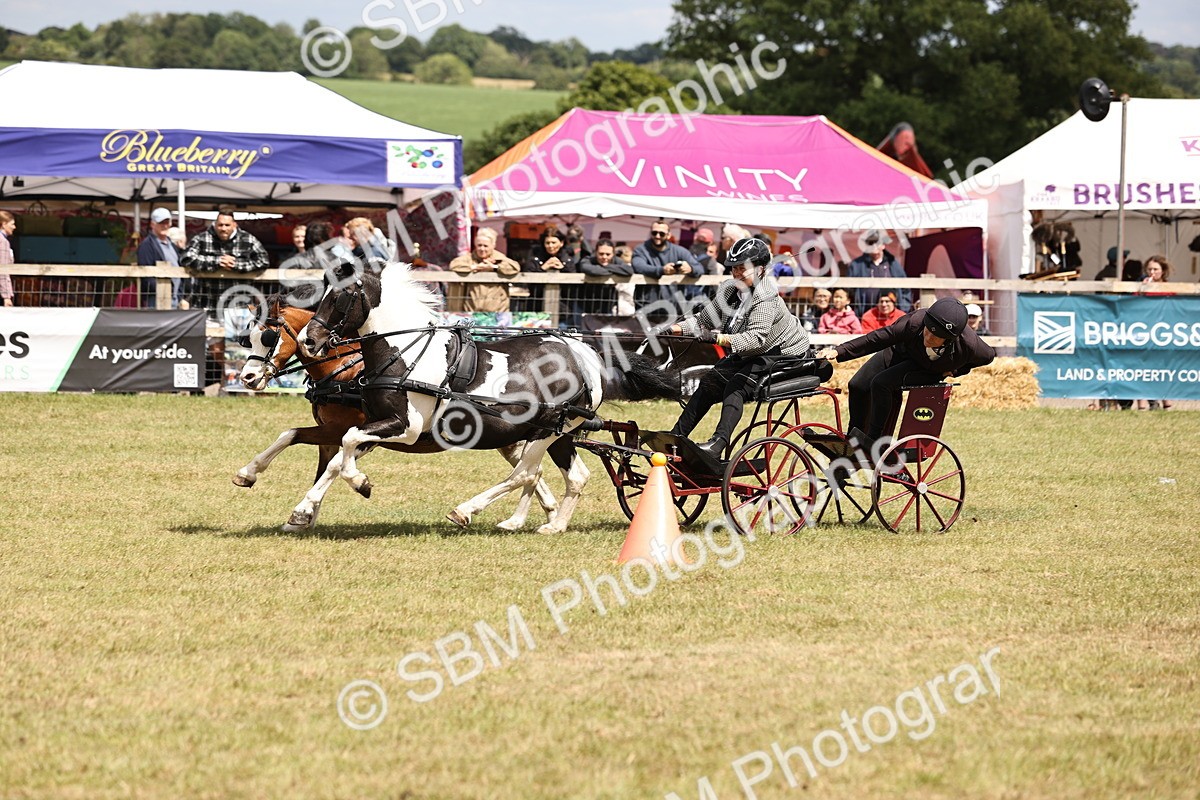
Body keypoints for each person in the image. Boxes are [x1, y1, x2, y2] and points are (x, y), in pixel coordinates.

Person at [658, 237, 812, 458]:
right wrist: (674, 329)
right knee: (711, 380)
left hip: (783, 351)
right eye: (734, 269)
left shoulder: (765, 296)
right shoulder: (730, 290)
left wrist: (717, 338)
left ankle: (717, 444)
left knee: (737, 385)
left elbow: (756, 339)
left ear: (760, 270)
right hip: (753, 351)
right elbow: (704, 320)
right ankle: (676, 437)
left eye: (743, 269)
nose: (737, 274)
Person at [817, 297, 996, 453]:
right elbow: (877, 339)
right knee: (857, 384)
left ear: (949, 339)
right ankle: (854, 438)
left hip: (927, 369)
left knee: (881, 383)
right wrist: (839, 351)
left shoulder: (970, 345)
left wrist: (956, 371)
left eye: (935, 336)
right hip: (900, 352)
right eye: (928, 329)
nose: (928, 336)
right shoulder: (914, 322)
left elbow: (988, 358)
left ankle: (874, 441)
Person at [179, 209, 269, 310]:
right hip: (206, 303)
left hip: (238, 305)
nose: (223, 228)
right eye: (220, 225)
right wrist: (217, 261)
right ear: (215, 224)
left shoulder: (248, 239)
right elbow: (186, 258)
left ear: (234, 225)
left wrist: (236, 264)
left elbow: (263, 260)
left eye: (227, 225)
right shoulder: (202, 238)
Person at [631, 219, 706, 313]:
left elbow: (699, 268)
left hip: (673, 308)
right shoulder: (641, 249)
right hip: (646, 306)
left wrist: (690, 268)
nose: (657, 236)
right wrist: (662, 270)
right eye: (654, 233)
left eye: (661, 233)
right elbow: (638, 267)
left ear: (668, 235)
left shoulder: (679, 251)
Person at [448, 228, 520, 313]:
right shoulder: (469, 258)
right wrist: (474, 267)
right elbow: (454, 265)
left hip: (497, 312)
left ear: (493, 246)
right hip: (472, 310)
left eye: (485, 246)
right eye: (479, 245)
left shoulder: (499, 258)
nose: (482, 249)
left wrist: (494, 267)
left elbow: (515, 267)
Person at [524, 226, 580, 327]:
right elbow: (529, 282)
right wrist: (543, 268)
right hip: (537, 309)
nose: (550, 246)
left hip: (562, 310)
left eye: (553, 242)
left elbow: (573, 286)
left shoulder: (568, 260)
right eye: (547, 243)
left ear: (561, 243)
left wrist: (563, 269)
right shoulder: (535, 258)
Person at [1138, 255, 1173, 410]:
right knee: (1143, 366)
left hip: (1164, 332)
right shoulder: (1143, 285)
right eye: (1150, 269)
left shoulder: (1169, 288)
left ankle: (1167, 401)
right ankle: (1143, 403)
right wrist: (1142, 289)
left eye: (1156, 269)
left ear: (1163, 271)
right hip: (1145, 331)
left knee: (1164, 367)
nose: (1152, 272)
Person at [848, 231, 912, 316]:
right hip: (864, 315)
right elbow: (849, 291)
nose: (874, 246)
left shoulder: (892, 263)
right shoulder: (856, 265)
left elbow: (905, 288)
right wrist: (854, 311)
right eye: (870, 243)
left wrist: (904, 309)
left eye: (877, 243)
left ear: (883, 245)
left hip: (890, 317)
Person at [135, 207, 182, 308]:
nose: (165, 225)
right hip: (156, 301)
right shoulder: (147, 245)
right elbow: (145, 274)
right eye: (161, 223)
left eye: (167, 222)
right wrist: (164, 289)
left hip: (175, 300)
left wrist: (181, 295)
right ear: (153, 224)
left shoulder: (172, 245)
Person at [578, 237, 632, 316]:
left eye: (608, 254)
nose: (604, 257)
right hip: (586, 304)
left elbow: (629, 270)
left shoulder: (616, 260)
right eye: (601, 254)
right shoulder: (588, 260)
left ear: (613, 254)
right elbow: (586, 268)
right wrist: (613, 270)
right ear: (596, 252)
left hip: (607, 305)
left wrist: (606, 267)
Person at [0, 210, 16, 307]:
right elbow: (3, 270)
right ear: (4, 224)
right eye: (12, 224)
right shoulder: (3, 242)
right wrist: (6, 296)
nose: (14, 227)